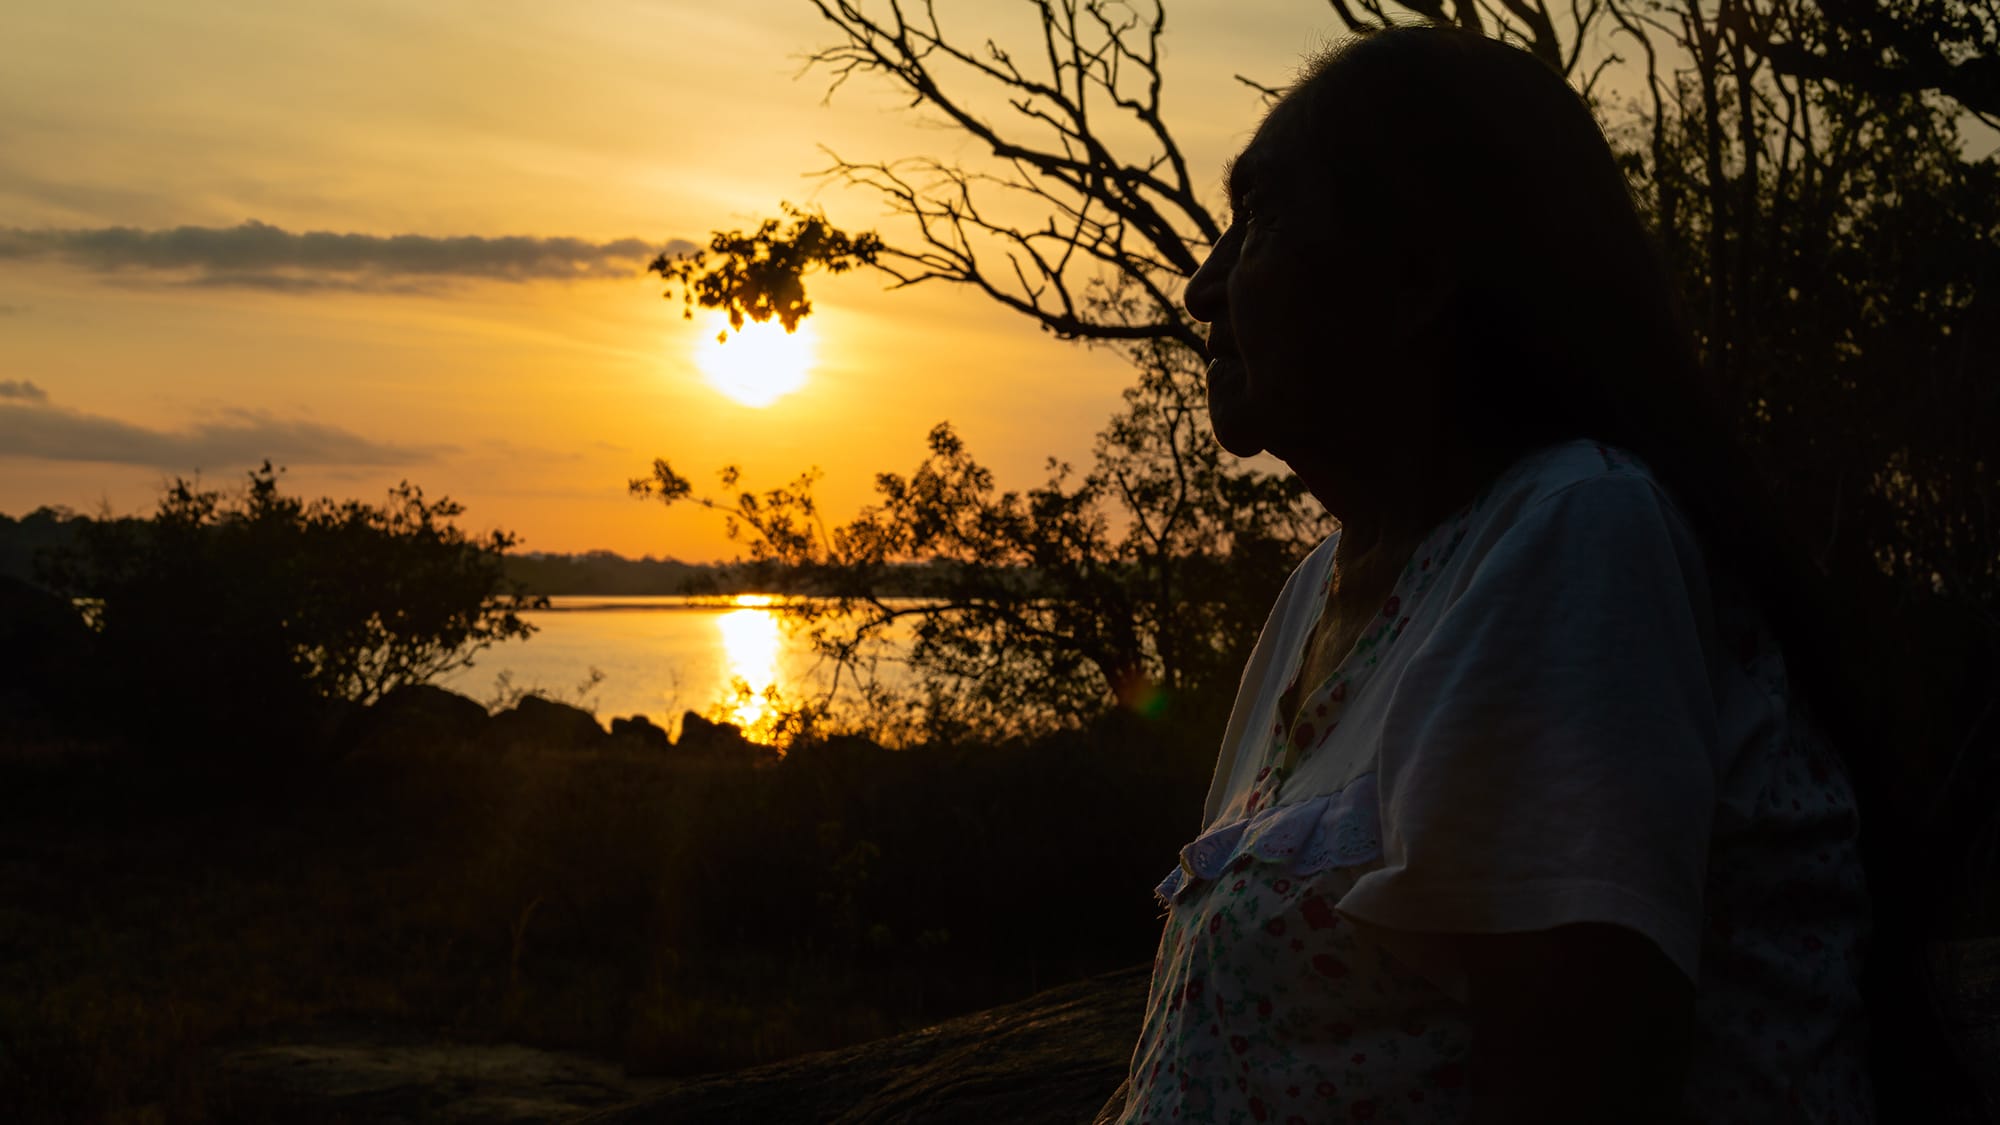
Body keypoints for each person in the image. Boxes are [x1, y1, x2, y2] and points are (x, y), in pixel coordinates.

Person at [1107, 26, 1897, 1124]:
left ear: (1420, 271)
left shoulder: (1578, 527)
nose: (1202, 287)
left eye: (1264, 223)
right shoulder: (1323, 588)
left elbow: (1572, 1082)